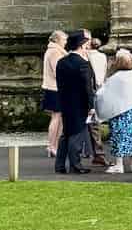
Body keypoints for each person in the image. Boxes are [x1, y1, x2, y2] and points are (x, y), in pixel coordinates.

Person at [97, 48, 132, 174]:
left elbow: (103, 92)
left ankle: (119, 165)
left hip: (118, 112)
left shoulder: (115, 78)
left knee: (118, 137)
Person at [54, 30, 95, 174]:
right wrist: (91, 105)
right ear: (82, 45)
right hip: (79, 103)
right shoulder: (83, 64)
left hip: (65, 101)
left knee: (66, 133)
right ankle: (75, 164)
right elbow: (87, 87)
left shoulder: (61, 62)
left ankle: (59, 164)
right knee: (76, 133)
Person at [41, 29, 67, 159]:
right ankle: (52, 146)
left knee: (58, 117)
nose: (65, 42)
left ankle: (54, 145)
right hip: (55, 89)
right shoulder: (55, 52)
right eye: (64, 40)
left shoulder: (54, 51)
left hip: (54, 88)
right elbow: (59, 72)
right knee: (56, 118)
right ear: (57, 40)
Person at [86, 34, 110, 166]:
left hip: (93, 88)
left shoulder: (87, 56)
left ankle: (94, 152)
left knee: (92, 123)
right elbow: (104, 71)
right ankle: (97, 153)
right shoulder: (102, 56)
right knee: (94, 123)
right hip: (99, 87)